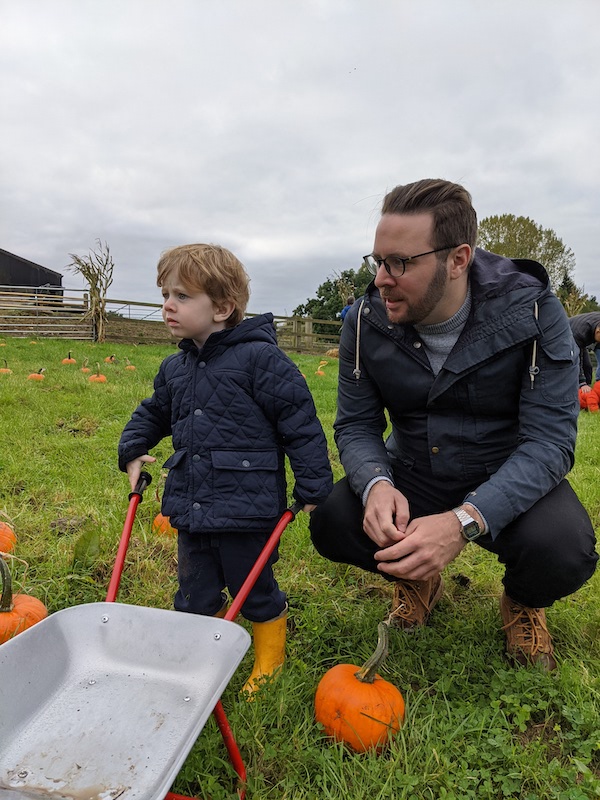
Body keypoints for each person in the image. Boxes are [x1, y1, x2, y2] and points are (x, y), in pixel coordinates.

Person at [310, 179, 597, 671]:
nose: (381, 279)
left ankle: (524, 602)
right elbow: (356, 425)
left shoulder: (533, 311)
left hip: (503, 472)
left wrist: (465, 520)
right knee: (336, 520)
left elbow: (550, 443)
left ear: (458, 259)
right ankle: (417, 578)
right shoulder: (364, 321)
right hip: (415, 468)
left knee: (563, 551)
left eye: (400, 263)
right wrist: (377, 484)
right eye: (377, 261)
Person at [119, 243, 333, 694]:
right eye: (164, 296)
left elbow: (299, 422)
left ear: (222, 307)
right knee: (193, 593)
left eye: (181, 296)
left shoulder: (261, 361)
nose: (168, 307)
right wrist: (133, 449)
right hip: (192, 505)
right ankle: (208, 650)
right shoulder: (175, 367)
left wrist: (313, 484)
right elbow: (153, 412)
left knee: (252, 587)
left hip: (247, 507)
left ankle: (270, 659)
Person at [568, 312, 600, 391]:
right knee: (581, 365)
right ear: (598, 332)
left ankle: (588, 391)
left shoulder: (597, 323)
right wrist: (582, 382)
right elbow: (576, 359)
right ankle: (581, 389)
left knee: (588, 367)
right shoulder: (580, 333)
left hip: (580, 340)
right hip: (564, 339)